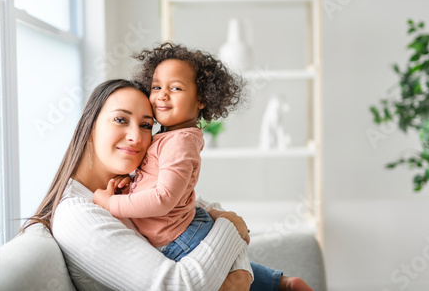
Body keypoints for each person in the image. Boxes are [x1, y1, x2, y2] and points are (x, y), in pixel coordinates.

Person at [93, 43, 313, 291]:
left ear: (202, 99)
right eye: (156, 87)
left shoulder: (180, 142)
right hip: (183, 230)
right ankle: (283, 284)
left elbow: (164, 198)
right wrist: (129, 185)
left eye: (175, 88)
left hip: (179, 238)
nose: (162, 95)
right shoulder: (167, 138)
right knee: (236, 275)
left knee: (224, 283)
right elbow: (155, 180)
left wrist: (111, 204)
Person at [24, 79, 254, 290]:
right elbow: (177, 286)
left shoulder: (134, 185)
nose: (136, 136)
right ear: (90, 129)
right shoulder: (77, 213)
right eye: (120, 120)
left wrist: (240, 269)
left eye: (146, 125)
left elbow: (206, 209)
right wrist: (231, 231)